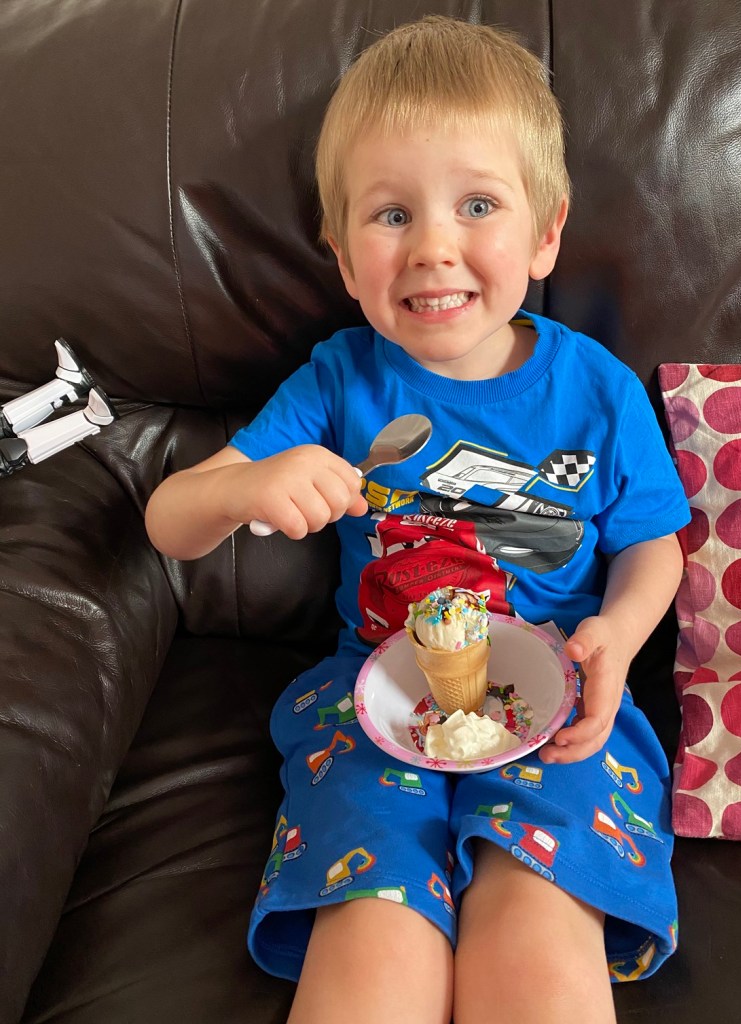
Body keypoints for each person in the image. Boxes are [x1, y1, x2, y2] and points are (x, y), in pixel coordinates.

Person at [145, 15, 691, 1024]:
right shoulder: (337, 381)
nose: (435, 247)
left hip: (561, 697)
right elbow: (168, 520)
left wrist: (617, 635)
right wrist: (242, 489)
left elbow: (652, 544)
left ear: (546, 234)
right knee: (373, 946)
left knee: (537, 936)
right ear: (343, 258)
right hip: (375, 700)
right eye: (392, 215)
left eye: (477, 205)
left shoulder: (599, 392)